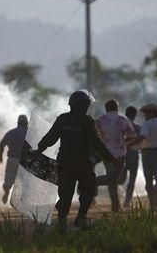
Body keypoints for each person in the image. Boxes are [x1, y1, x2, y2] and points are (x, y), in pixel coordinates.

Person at [32, 90, 118, 233]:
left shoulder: (62, 119)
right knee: (89, 189)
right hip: (83, 163)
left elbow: (50, 138)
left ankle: (62, 223)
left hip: (64, 163)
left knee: (65, 194)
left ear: (71, 105)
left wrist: (38, 151)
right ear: (85, 106)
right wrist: (110, 158)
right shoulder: (87, 121)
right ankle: (80, 218)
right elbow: (96, 143)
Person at [96, 99, 135, 212]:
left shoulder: (100, 119)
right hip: (119, 153)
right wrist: (123, 142)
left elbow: (94, 134)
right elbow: (132, 135)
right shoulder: (123, 119)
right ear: (117, 108)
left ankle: (115, 206)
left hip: (105, 153)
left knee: (112, 179)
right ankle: (95, 181)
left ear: (106, 108)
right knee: (113, 178)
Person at [128, 104, 157, 210]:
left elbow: (142, 136)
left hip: (147, 154)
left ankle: (153, 203)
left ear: (152, 113)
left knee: (148, 180)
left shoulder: (146, 124)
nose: (144, 115)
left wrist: (129, 144)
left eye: (146, 113)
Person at [0, 115, 28, 204]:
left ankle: (7, 192)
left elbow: (2, 143)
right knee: (23, 181)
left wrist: (0, 156)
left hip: (12, 159)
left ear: (18, 123)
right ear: (26, 123)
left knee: (8, 179)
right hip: (24, 161)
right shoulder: (29, 133)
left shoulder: (11, 132)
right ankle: (20, 200)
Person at [118, 106, 141, 207]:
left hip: (122, 154)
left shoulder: (120, 126)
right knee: (132, 179)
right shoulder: (138, 127)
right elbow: (141, 140)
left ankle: (116, 196)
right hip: (134, 154)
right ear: (135, 115)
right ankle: (127, 201)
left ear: (126, 114)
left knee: (120, 178)